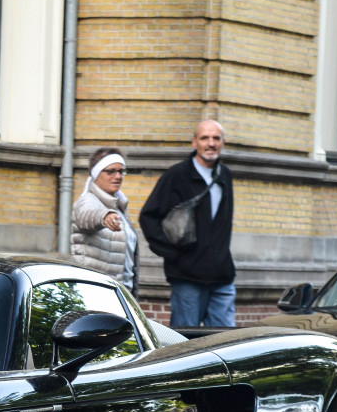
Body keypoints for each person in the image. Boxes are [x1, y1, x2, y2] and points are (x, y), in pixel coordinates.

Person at [139, 119, 236, 327]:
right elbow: (148, 216)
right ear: (194, 142)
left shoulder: (225, 175)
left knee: (226, 342)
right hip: (187, 278)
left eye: (216, 138)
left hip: (222, 277)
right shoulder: (177, 175)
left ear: (223, 142)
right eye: (204, 138)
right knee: (186, 342)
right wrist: (173, 255)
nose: (211, 143)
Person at [71, 147, 139, 295]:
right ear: (96, 174)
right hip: (95, 293)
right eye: (111, 171)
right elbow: (85, 216)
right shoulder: (88, 201)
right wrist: (104, 216)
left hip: (120, 293)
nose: (118, 176)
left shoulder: (118, 205)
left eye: (121, 171)